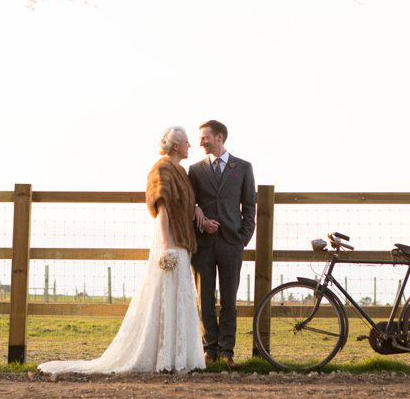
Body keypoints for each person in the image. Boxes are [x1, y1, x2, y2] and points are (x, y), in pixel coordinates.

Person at [38, 126, 205, 374]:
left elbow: (186, 204)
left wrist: (197, 209)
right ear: (177, 146)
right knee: (165, 294)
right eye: (187, 142)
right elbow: (163, 210)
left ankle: (179, 355)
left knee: (179, 296)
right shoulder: (162, 169)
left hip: (184, 241)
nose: (191, 145)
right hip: (171, 239)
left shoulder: (182, 171)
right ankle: (164, 356)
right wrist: (166, 246)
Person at [189, 119, 256, 369]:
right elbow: (188, 201)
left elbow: (250, 205)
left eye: (205, 137)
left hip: (231, 243)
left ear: (219, 137)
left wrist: (243, 237)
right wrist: (197, 210)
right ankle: (210, 350)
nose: (200, 142)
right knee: (204, 299)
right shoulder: (195, 170)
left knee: (229, 299)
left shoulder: (243, 168)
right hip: (203, 243)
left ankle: (228, 351)